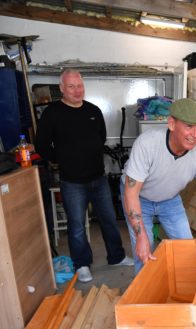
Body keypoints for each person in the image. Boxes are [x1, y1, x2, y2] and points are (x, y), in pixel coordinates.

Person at [36, 69, 133, 283]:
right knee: (77, 225)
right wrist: (60, 158)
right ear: (62, 89)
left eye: (79, 86)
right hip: (72, 181)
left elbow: (102, 137)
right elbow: (41, 145)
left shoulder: (93, 110)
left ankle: (116, 256)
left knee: (108, 220)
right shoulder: (52, 113)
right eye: (71, 86)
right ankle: (82, 264)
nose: (77, 90)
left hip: (98, 177)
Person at [121, 98, 196, 273]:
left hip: (169, 200)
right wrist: (141, 236)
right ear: (171, 124)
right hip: (139, 199)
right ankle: (145, 297)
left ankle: (185, 297)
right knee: (144, 252)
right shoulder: (147, 144)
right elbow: (131, 193)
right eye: (189, 126)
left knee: (186, 249)